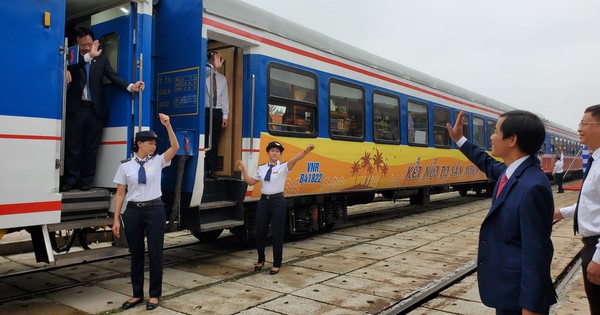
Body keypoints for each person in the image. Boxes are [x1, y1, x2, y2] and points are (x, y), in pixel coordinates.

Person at [446, 110, 556, 314]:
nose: (491, 136)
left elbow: (536, 252)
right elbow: (486, 163)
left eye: (496, 131)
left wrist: (531, 306)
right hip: (507, 291)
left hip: (520, 297)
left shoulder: (533, 187)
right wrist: (459, 139)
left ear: (512, 139)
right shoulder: (512, 172)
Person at [62, 26, 145, 191]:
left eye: (89, 43)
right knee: (73, 148)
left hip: (95, 110)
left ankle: (86, 182)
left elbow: (112, 77)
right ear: (75, 44)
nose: (87, 47)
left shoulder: (101, 59)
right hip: (75, 110)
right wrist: (85, 58)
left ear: (94, 41)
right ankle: (70, 181)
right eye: (83, 45)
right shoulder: (70, 58)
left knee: (91, 148)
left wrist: (131, 86)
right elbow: (66, 68)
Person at [111, 113, 179, 311]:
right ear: (139, 144)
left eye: (154, 144)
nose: (153, 146)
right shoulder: (125, 166)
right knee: (136, 254)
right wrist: (116, 219)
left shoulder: (157, 161)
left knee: (156, 253)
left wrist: (168, 126)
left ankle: (155, 295)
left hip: (155, 210)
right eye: (149, 143)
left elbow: (175, 148)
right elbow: (120, 194)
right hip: (132, 212)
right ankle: (137, 294)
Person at [236, 141, 315, 275]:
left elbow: (294, 159)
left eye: (277, 151)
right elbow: (250, 182)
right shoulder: (261, 168)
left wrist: (306, 151)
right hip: (263, 202)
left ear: (280, 154)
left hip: (278, 201)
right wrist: (243, 169)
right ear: (268, 153)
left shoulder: (283, 167)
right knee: (260, 232)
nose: (275, 153)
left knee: (277, 233)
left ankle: (276, 263)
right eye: (272, 150)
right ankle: (261, 260)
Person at [555, 104, 600, 314]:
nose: (579, 128)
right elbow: (592, 202)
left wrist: (599, 258)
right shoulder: (595, 160)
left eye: (584, 123)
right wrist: (562, 212)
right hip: (591, 246)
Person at [205, 51, 230, 180]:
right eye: (215, 59)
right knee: (203, 140)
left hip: (217, 111)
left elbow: (224, 98)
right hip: (204, 110)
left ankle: (211, 170)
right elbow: (202, 75)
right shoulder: (205, 73)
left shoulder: (222, 78)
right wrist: (212, 68)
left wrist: (225, 115)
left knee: (214, 142)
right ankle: (202, 169)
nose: (218, 61)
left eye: (219, 59)